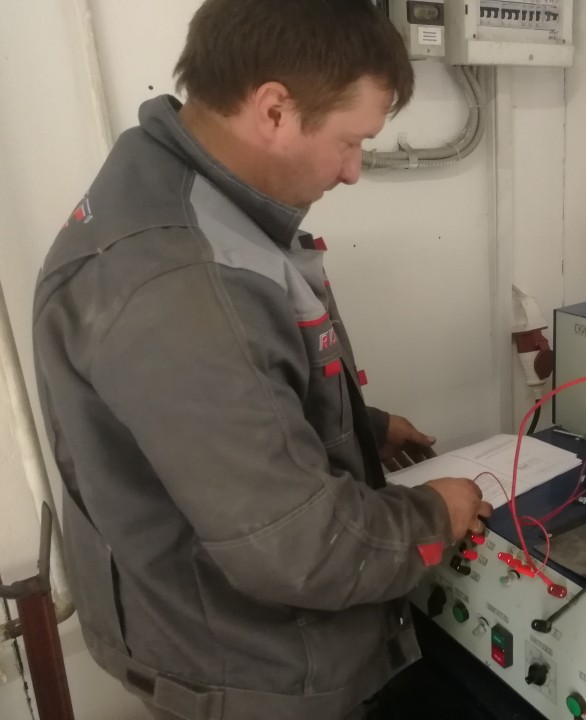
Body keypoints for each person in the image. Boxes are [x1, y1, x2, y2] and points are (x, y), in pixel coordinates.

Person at [32, 1, 492, 718]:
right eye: (350, 141)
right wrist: (437, 516)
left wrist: (362, 429)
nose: (352, 172)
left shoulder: (167, 183)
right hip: (243, 667)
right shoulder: (182, 284)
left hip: (188, 614)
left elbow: (212, 409)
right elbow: (300, 549)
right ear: (274, 109)